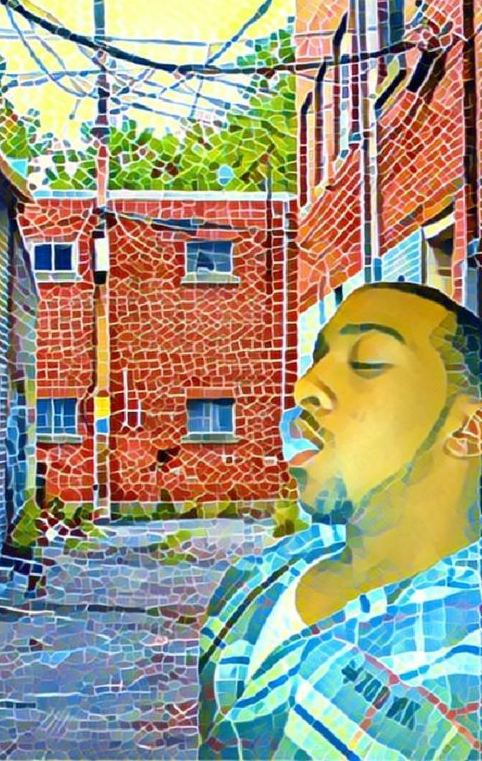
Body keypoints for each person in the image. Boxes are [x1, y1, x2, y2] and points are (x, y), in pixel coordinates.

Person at [198, 282, 482, 759]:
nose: (305, 387)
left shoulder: (466, 656)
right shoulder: (254, 579)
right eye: (318, 358)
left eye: (368, 362)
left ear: (469, 429)